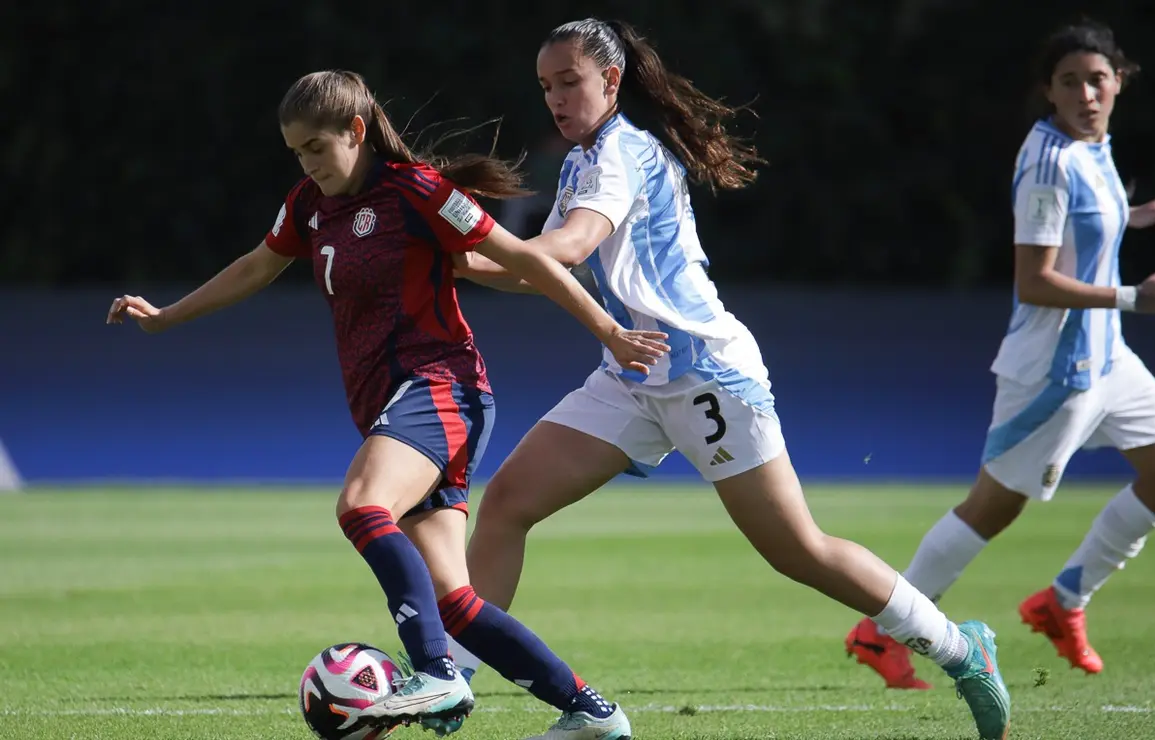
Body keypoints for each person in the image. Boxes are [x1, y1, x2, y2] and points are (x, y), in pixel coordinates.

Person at [445, 18, 1011, 740]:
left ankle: (963, 650)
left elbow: (568, 245)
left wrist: (466, 243)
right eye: (546, 86)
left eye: (569, 81)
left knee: (797, 550)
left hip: (705, 372)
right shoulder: (582, 164)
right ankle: (454, 679)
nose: (555, 98)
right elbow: (543, 269)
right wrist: (459, 264)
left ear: (611, 82)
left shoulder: (622, 153)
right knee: (508, 506)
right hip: (632, 373)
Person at [106, 69, 666, 737]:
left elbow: (523, 259)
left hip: (441, 386)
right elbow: (257, 264)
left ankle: (435, 674)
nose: (309, 164)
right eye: (297, 153)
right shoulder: (309, 205)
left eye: (318, 146)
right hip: (395, 403)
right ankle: (590, 713)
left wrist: (607, 330)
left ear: (356, 131)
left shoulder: (419, 191)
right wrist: (167, 317)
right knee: (455, 602)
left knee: (362, 506)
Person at [845, 19, 1155, 690]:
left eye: (1098, 80)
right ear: (1049, 91)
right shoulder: (1047, 160)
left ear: (1118, 82)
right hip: (1054, 371)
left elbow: (1084, 218)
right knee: (992, 508)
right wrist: (1134, 297)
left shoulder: (1093, 146)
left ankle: (1064, 602)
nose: (1087, 94)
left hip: (1107, 359)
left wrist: (1135, 214)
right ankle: (879, 630)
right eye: (1071, 83)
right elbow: (1034, 279)